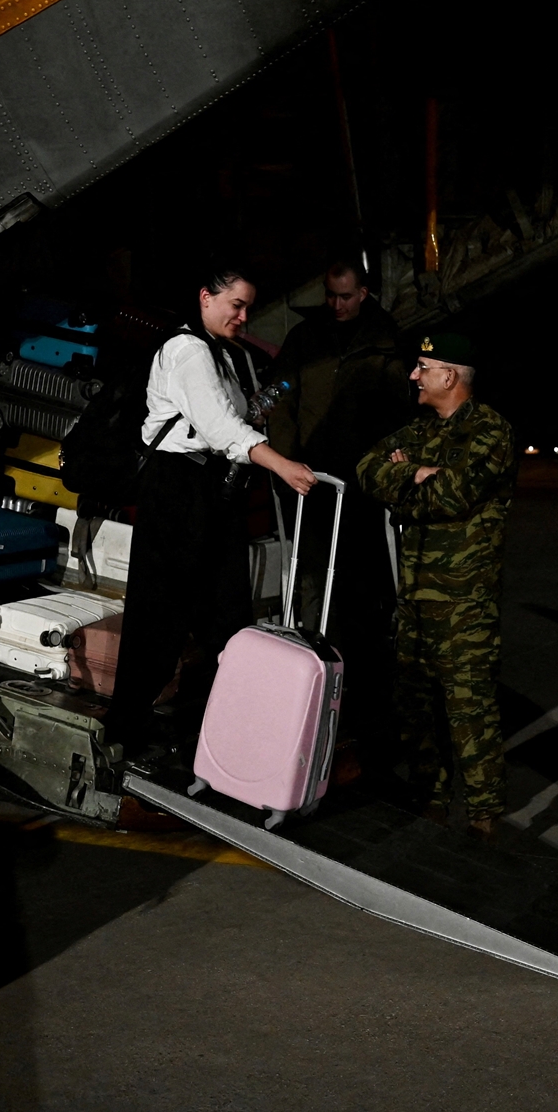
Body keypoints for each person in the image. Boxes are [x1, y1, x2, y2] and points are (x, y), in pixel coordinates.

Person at [108, 268, 318, 766]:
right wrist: (281, 465)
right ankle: (123, 732)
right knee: (159, 616)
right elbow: (222, 428)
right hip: (176, 488)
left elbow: (232, 420)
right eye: (236, 305)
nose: (243, 317)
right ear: (205, 296)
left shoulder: (226, 354)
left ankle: (215, 728)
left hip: (211, 490)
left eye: (248, 308)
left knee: (227, 617)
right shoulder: (187, 350)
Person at [357, 334, 515, 836]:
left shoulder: (491, 432)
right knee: (416, 704)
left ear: (449, 376)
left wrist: (407, 482)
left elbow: (451, 496)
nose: (413, 375)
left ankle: (484, 815)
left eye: (422, 367)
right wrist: (419, 475)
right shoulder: (420, 429)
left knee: (470, 707)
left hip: (464, 600)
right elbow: (366, 469)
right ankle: (430, 800)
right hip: (415, 596)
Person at [263, 260, 411, 765]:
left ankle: (366, 703)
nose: (337, 304)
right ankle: (309, 683)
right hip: (311, 485)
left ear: (364, 293)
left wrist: (381, 472)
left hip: (363, 492)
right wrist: (286, 464)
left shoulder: (387, 343)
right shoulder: (306, 339)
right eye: (330, 295)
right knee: (311, 587)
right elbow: (282, 398)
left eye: (346, 296)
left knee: (365, 593)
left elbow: (398, 417)